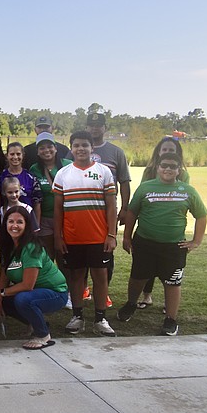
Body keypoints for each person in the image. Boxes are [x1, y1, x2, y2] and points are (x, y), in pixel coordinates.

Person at [117, 153, 207, 336]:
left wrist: (196, 241)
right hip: (145, 243)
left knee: (173, 282)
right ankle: (131, 303)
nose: (168, 169)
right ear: (157, 167)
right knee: (137, 278)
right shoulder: (145, 188)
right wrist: (127, 238)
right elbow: (132, 213)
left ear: (179, 170)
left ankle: (171, 319)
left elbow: (201, 215)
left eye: (173, 166)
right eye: (164, 165)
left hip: (174, 247)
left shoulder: (187, 190)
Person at [53, 130, 118, 337]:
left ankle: (100, 318)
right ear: (71, 149)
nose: (81, 149)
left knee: (100, 276)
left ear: (92, 148)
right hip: (72, 237)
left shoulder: (104, 172)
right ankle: (77, 316)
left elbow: (111, 206)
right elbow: (57, 209)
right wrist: (58, 236)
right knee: (76, 277)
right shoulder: (63, 174)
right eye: (76, 145)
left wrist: (112, 234)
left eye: (85, 145)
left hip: (99, 237)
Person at [0, 206, 69, 349]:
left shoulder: (31, 247)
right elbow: (5, 275)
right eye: (10, 221)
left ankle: (43, 335)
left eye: (19, 222)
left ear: (27, 225)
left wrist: (3, 293)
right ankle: (36, 322)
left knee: (22, 299)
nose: (14, 226)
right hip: (32, 292)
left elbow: (27, 285)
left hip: (55, 293)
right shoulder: (8, 245)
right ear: (5, 224)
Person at [135, 137, 190, 307]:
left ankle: (169, 304)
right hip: (148, 222)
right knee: (146, 267)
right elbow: (143, 194)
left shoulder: (183, 174)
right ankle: (147, 295)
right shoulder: (149, 171)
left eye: (171, 150)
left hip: (171, 225)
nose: (167, 152)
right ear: (158, 152)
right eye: (164, 150)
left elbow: (182, 195)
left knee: (170, 271)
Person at [29, 132, 72, 260]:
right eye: (42, 148)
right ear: (37, 152)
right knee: (47, 257)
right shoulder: (34, 169)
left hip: (66, 219)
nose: (46, 150)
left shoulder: (68, 165)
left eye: (49, 146)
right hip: (45, 220)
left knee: (64, 257)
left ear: (56, 148)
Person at [0, 142, 42, 225]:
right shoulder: (1, 177)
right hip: (8, 222)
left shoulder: (31, 178)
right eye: (12, 154)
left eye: (18, 154)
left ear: (23, 155)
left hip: (27, 221)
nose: (15, 157)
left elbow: (37, 203)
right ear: (7, 156)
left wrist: (36, 225)